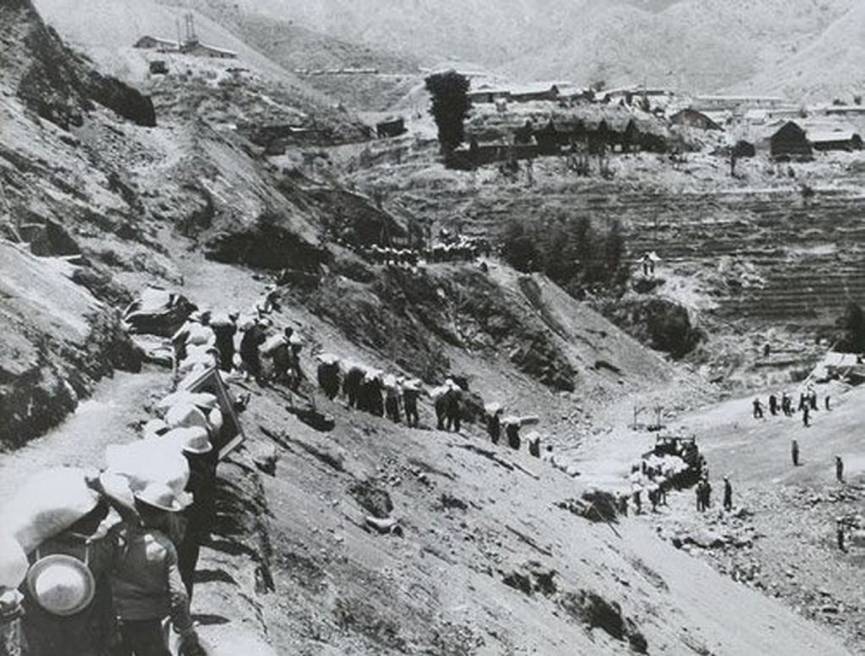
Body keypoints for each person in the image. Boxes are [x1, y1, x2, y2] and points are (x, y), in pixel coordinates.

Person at [19, 492, 122, 656]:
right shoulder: (97, 552)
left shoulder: (31, 553)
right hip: (83, 639)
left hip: (41, 638)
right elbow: (128, 523)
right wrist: (104, 491)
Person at [111, 484, 206, 656]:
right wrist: (186, 629)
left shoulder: (115, 535)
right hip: (146, 622)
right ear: (164, 515)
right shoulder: (164, 547)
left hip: (112, 618)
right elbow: (178, 595)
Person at [176, 430, 218, 601]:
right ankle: (183, 607)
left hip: (173, 524)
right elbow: (208, 505)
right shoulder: (206, 471)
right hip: (191, 529)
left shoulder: (177, 467)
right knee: (186, 571)